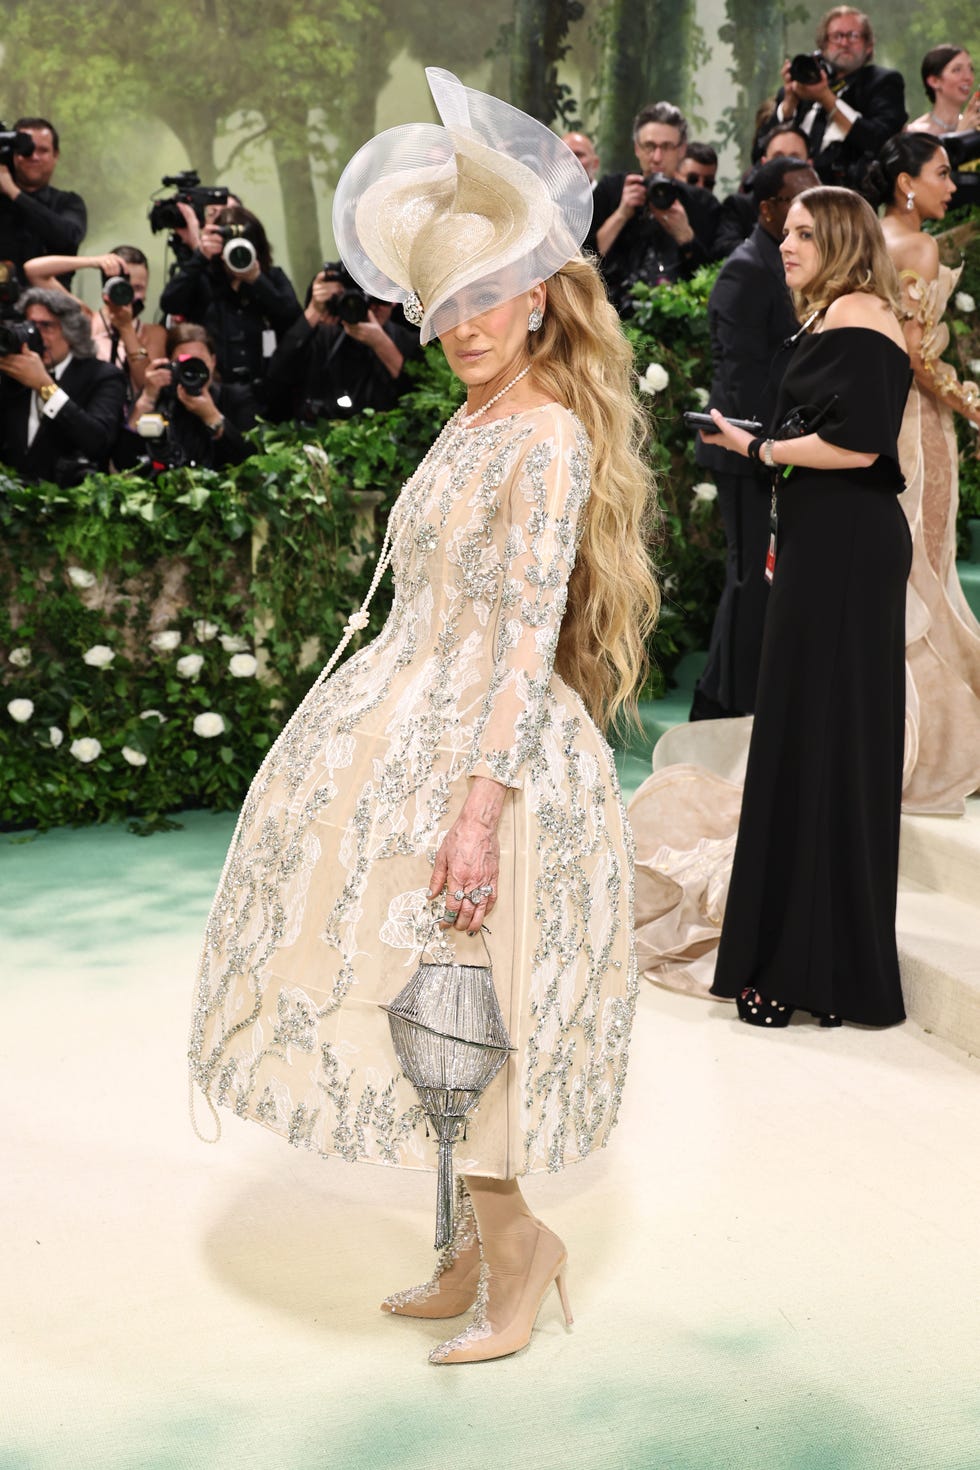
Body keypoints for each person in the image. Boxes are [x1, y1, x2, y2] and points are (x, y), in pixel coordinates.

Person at [189, 66, 659, 1365]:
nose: (460, 325)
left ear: (537, 296)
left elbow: (519, 627)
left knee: (469, 1008)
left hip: (486, 759)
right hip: (412, 730)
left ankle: (522, 1254)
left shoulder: (548, 434)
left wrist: (480, 802)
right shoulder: (469, 419)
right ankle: (465, 1243)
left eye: (484, 298)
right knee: (418, 1002)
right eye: (441, 304)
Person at [699, 186, 911, 1028]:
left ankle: (809, 968)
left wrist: (758, 445)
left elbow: (858, 443)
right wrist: (760, 439)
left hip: (849, 548)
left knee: (823, 740)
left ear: (843, 240)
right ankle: (796, 956)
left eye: (801, 233)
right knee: (803, 736)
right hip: (827, 540)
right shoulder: (835, 313)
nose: (784, 244)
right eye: (783, 232)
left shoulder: (860, 315)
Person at [866, 132, 980, 812]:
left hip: (881, 421)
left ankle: (893, 730)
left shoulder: (871, 235)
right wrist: (971, 404)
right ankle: (936, 744)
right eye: (942, 174)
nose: (953, 186)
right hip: (917, 425)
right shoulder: (919, 246)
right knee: (927, 571)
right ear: (907, 182)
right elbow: (916, 358)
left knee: (907, 572)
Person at [691, 157, 819, 721]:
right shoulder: (747, 268)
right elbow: (739, 375)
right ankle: (727, 709)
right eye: (797, 199)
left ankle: (731, 700)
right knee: (748, 579)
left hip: (768, 449)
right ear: (768, 208)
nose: (808, 205)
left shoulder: (782, 261)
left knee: (755, 580)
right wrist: (762, 449)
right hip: (744, 448)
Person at [589, 101, 721, 313]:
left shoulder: (702, 203)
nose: (657, 158)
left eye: (667, 147)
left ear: (682, 150)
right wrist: (621, 214)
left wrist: (686, 237)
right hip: (609, 315)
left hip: (680, 321)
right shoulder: (611, 190)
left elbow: (712, 279)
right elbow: (584, 261)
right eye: (649, 146)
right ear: (636, 149)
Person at [159, 203, 300, 395]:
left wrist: (257, 280)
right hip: (211, 388)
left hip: (264, 388)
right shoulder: (201, 278)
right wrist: (200, 256)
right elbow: (170, 303)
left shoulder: (272, 277)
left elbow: (293, 319)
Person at [756, 8, 906, 188]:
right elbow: (759, 153)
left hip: (849, 194)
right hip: (789, 192)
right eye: (836, 36)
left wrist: (825, 98)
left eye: (853, 36)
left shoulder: (882, 82)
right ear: (822, 47)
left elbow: (880, 140)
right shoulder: (803, 84)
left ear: (869, 46)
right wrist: (789, 103)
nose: (844, 43)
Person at [263, 261, 419, 424]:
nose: (372, 308)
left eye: (381, 298)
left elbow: (421, 398)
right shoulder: (325, 337)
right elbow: (276, 379)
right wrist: (314, 311)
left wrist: (381, 344)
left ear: (394, 299)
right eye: (365, 298)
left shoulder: (406, 341)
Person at [0, 286, 125, 485]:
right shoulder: (11, 375)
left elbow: (97, 442)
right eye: (30, 324)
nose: (35, 334)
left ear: (71, 331)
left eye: (46, 326)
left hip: (72, 503)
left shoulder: (103, 376)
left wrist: (44, 386)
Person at [23, 245, 166, 400]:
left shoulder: (153, 333)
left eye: (137, 288)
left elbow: (146, 386)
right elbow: (33, 271)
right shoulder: (85, 320)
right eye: (123, 286)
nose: (129, 295)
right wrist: (93, 262)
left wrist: (126, 329)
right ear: (107, 286)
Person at [116, 323, 256, 471]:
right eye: (185, 362)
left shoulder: (236, 398)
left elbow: (248, 462)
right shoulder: (160, 400)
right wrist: (147, 399)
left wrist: (211, 416)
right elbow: (124, 463)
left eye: (199, 361)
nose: (192, 370)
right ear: (171, 363)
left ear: (213, 361)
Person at [0, 118, 86, 282]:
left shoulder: (68, 203)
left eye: (43, 150)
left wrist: (13, 192)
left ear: (55, 155)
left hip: (51, 304)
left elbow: (67, 239)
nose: (34, 157)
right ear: (12, 155)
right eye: (26, 151)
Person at [716, 124, 812, 257]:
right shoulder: (740, 207)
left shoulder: (825, 210)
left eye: (794, 158)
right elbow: (725, 248)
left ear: (810, 164)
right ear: (764, 162)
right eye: (778, 157)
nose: (785, 165)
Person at [906, 46, 980, 136]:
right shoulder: (916, 133)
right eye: (957, 70)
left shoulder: (975, 126)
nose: (968, 77)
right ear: (935, 81)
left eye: (971, 69)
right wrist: (961, 134)